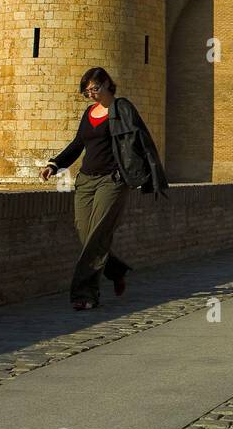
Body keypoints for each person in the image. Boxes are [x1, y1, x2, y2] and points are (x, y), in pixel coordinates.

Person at [39, 67, 169, 310]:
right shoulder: (89, 112)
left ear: (108, 84)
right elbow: (78, 144)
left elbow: (141, 139)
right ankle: (116, 269)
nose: (91, 94)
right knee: (84, 232)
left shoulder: (122, 108)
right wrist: (54, 164)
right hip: (86, 180)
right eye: (87, 91)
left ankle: (84, 293)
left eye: (95, 89)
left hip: (112, 180)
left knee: (98, 234)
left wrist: (149, 174)